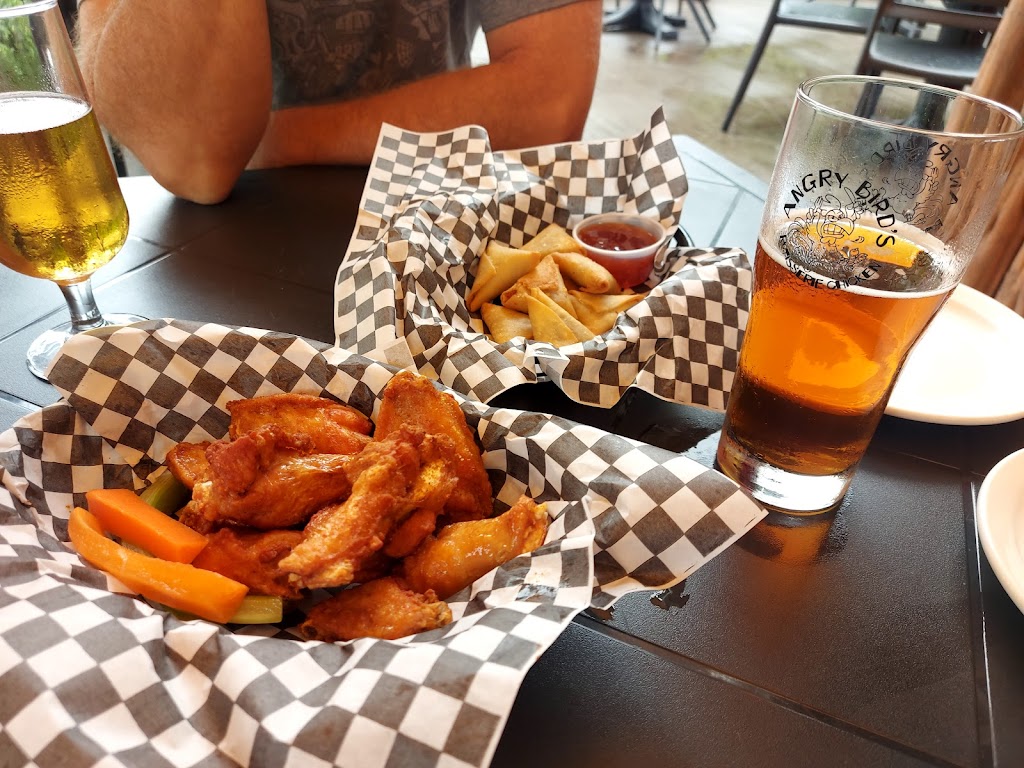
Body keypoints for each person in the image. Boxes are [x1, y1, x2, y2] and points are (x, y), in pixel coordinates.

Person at [75, 1, 603, 205]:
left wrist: (270, 141)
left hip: (432, 204)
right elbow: (194, 162)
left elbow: (549, 98)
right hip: (209, 228)